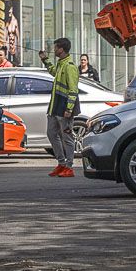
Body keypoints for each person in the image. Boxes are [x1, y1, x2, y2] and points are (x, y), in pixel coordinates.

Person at [40, 37, 80, 178]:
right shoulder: (60, 64)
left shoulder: (70, 66)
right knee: (51, 134)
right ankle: (61, 163)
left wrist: (69, 109)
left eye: (56, 47)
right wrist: (45, 60)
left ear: (61, 49)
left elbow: (73, 90)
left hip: (64, 109)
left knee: (67, 138)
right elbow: (53, 72)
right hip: (55, 107)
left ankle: (69, 167)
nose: (54, 50)